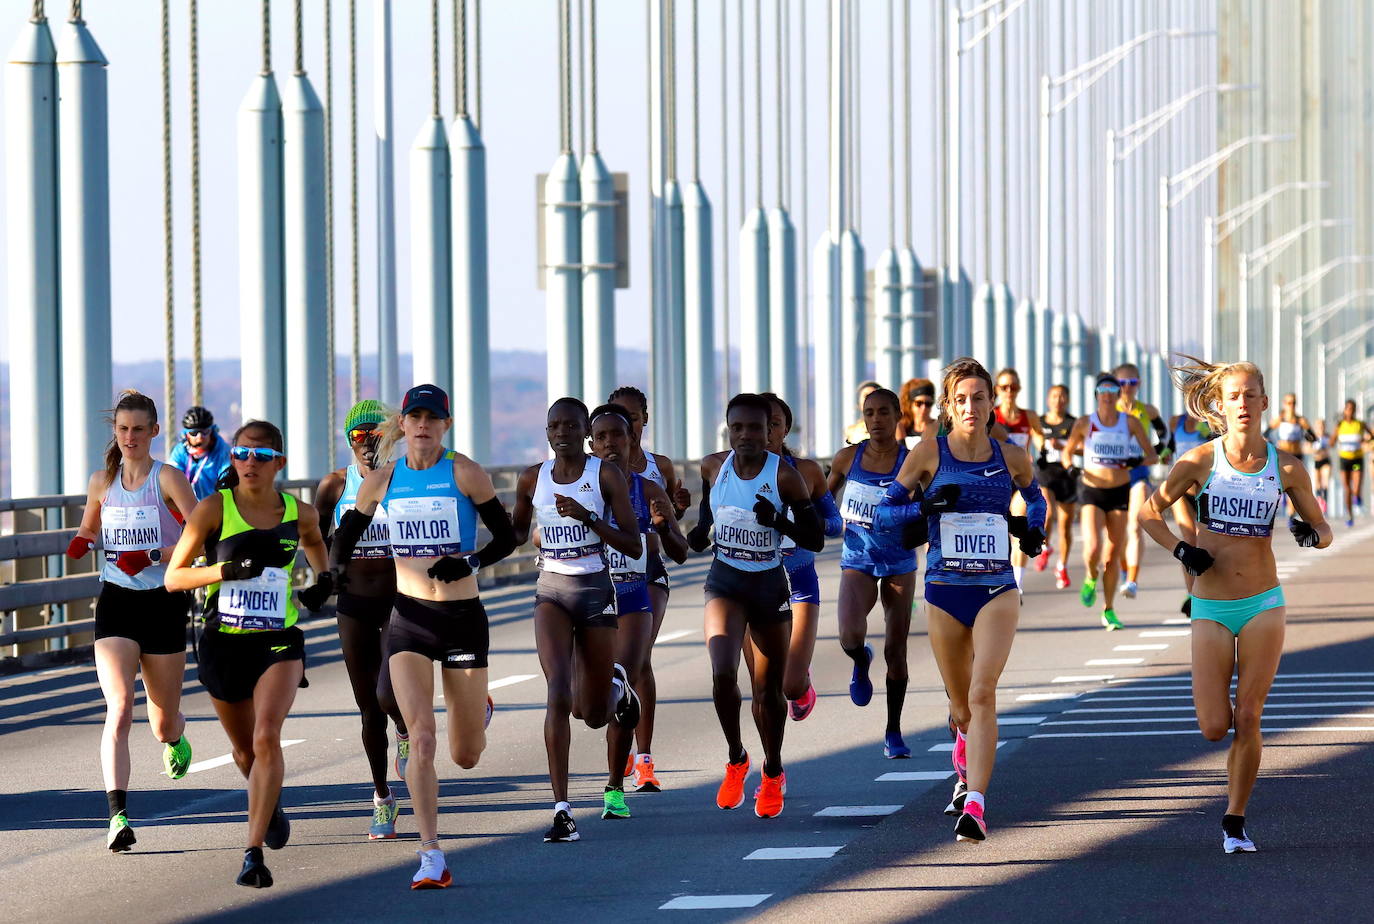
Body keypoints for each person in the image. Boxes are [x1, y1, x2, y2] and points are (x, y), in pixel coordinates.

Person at [316, 384, 516, 888]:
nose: (423, 425)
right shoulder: (382, 480)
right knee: (421, 736)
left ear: (445, 425)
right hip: (409, 619)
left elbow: (507, 536)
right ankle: (431, 855)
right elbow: (344, 535)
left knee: (465, 754)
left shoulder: (464, 472)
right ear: (401, 427)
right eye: (414, 417)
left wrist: (467, 560)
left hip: (462, 617)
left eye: (432, 417)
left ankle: (477, 710)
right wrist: (333, 575)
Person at [1140, 358, 1330, 853]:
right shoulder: (1200, 461)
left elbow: (1324, 528)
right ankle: (1228, 750)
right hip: (1211, 605)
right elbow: (1148, 511)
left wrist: (1311, 533)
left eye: (1251, 396)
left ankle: (1235, 819)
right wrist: (1183, 550)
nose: (1242, 404)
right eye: (1234, 397)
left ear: (1264, 403)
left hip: (1264, 602)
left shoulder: (1286, 466)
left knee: (1249, 715)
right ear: (1219, 406)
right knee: (1213, 727)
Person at [877, 358, 1045, 842]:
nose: (971, 406)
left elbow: (1036, 500)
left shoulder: (1010, 456)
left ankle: (976, 802)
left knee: (983, 691)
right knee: (960, 704)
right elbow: (885, 515)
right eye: (961, 399)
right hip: (946, 590)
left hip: (995, 588)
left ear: (992, 404)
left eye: (979, 397)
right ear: (948, 408)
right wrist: (925, 504)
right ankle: (962, 744)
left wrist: (1031, 530)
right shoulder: (929, 453)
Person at [165, 419, 331, 888]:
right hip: (223, 642)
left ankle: (252, 852)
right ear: (232, 458)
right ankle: (269, 799)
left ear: (279, 462)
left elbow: (316, 543)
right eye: (240, 453)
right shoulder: (215, 509)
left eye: (260, 455)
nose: (249, 462)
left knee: (265, 737)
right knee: (243, 752)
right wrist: (222, 571)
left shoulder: (298, 512)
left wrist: (323, 578)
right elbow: (174, 578)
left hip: (278, 639)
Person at [67, 390, 199, 852]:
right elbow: (90, 525)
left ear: (154, 431)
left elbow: (200, 539)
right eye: (122, 429)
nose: (129, 437)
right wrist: (81, 542)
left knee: (162, 723)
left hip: (163, 602)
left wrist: (152, 554)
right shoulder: (102, 480)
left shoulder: (170, 479)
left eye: (138, 429)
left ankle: (175, 736)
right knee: (119, 707)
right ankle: (117, 815)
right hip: (117, 602)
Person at [511, 397, 645, 840]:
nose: (562, 432)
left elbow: (631, 544)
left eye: (571, 425)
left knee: (591, 714)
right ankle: (563, 810)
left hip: (594, 590)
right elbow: (513, 532)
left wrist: (587, 517)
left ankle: (618, 689)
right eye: (555, 425)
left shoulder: (603, 474)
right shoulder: (533, 478)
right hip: (551, 590)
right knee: (556, 692)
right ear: (547, 433)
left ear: (583, 431)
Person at [687, 394, 824, 818]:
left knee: (768, 691)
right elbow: (704, 527)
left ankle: (773, 770)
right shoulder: (713, 466)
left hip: (768, 585)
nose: (745, 436)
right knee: (722, 671)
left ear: (771, 433)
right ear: (728, 430)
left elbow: (815, 538)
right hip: (725, 581)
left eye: (755, 429)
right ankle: (735, 758)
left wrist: (778, 521)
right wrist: (687, 533)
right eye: (737, 428)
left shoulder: (785, 476)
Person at [310, 399, 410, 839]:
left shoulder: (405, 478)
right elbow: (315, 540)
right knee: (368, 706)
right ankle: (382, 797)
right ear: (347, 440)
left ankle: (406, 727)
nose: (368, 443)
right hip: (352, 603)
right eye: (358, 436)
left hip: (398, 598)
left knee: (389, 693)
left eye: (377, 435)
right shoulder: (334, 485)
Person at [588, 404, 689, 799]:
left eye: (621, 433)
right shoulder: (574, 483)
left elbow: (679, 547)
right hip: (593, 590)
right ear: (591, 443)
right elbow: (542, 536)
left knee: (631, 666)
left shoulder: (651, 478)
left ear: (634, 436)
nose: (612, 443)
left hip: (643, 581)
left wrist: (666, 523)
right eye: (603, 436)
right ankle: (619, 728)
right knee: (588, 702)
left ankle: (639, 761)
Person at [827, 387, 920, 758]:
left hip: (899, 562)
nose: (876, 420)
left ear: (899, 416)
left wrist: (907, 515)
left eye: (884, 412)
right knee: (850, 635)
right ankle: (859, 660)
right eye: (869, 413)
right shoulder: (848, 458)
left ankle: (893, 731)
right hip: (858, 559)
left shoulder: (912, 461)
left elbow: (928, 508)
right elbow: (821, 499)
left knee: (896, 651)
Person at [745, 393, 843, 723]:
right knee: (763, 685)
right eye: (762, 424)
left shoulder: (807, 471)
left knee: (789, 685)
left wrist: (807, 522)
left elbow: (834, 524)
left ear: (786, 429)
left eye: (775, 424)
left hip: (798, 583)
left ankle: (802, 678)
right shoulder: (734, 473)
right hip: (752, 586)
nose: (768, 431)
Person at [1061, 373, 1158, 630]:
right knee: (1093, 548)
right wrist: (1071, 468)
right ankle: (1091, 577)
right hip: (1091, 491)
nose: (1107, 395)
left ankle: (1108, 609)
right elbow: (1067, 453)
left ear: (1117, 395)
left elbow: (1152, 456)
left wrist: (1136, 461)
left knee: (1113, 554)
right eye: (1102, 390)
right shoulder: (1084, 423)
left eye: (1111, 390)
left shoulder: (1130, 422)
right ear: (1096, 395)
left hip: (1119, 491)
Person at [1114, 363, 1167, 600]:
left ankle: (1132, 580)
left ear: (1139, 384)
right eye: (1122, 383)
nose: (1127, 388)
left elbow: (1165, 437)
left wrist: (1153, 454)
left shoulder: (1148, 410)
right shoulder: (1109, 410)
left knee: (1135, 525)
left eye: (1132, 383)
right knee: (1116, 534)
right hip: (1114, 478)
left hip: (1139, 476)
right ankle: (1125, 570)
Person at [993, 369, 1044, 589]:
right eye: (1004, 387)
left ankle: (1018, 583)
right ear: (997, 390)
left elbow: (1040, 437)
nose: (1009, 392)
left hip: (1020, 477)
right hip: (997, 479)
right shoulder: (991, 417)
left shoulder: (1028, 416)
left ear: (1019, 389)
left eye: (1013, 387)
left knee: (1020, 518)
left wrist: (1043, 451)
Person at [1167, 410, 1212, 617]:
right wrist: (1164, 454)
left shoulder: (1211, 422)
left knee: (1209, 541)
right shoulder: (1176, 422)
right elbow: (1169, 447)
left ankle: (1209, 590)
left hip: (1205, 491)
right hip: (1180, 490)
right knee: (1189, 540)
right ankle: (1192, 595)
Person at [1036, 384, 1078, 590]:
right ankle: (1045, 546)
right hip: (1045, 474)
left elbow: (1081, 449)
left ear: (1067, 400)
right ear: (1047, 399)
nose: (1058, 400)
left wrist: (1064, 447)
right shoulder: (1040, 422)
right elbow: (1032, 441)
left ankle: (1062, 566)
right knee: (1048, 511)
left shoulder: (1073, 423)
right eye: (1054, 396)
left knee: (1065, 526)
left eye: (1062, 396)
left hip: (1066, 476)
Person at [168, 405, 233, 501]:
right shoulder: (180, 451)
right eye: (194, 433)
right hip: (188, 507)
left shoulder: (223, 452)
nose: (200, 437)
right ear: (186, 434)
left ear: (212, 431)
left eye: (205, 432)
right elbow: (172, 479)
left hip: (216, 506)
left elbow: (227, 482)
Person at [1333, 400, 1372, 527]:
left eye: (1352, 409)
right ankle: (1349, 515)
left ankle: (1358, 496)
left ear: (1355, 411)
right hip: (1344, 460)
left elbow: (1371, 435)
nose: (1350, 411)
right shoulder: (1340, 425)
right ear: (1345, 410)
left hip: (1356, 459)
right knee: (1347, 489)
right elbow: (1332, 442)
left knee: (1356, 486)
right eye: (1348, 409)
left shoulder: (1360, 424)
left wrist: (1366, 440)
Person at [898, 378, 938, 448]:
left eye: (928, 403)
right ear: (910, 404)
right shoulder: (902, 429)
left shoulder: (939, 429)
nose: (924, 408)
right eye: (919, 403)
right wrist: (900, 440)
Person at [843, 380, 883, 445]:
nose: (870, 400)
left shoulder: (892, 427)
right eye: (866, 396)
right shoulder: (851, 431)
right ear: (858, 403)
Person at [1311, 418, 1332, 514]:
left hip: (1326, 461)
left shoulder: (1328, 436)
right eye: (1319, 426)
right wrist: (1315, 451)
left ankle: (1325, 501)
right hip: (1317, 461)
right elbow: (1308, 448)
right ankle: (1319, 501)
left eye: (1322, 426)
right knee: (1317, 483)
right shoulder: (1313, 437)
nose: (1321, 428)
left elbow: (1332, 445)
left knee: (1325, 481)